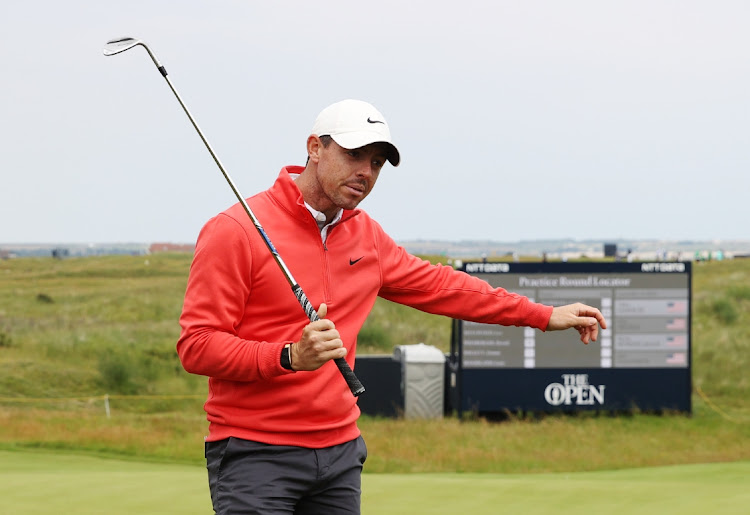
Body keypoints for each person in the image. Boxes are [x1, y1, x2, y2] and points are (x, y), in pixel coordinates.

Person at [176, 99, 607, 514]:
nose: (365, 171)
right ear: (315, 147)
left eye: (377, 163)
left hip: (339, 453)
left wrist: (542, 315)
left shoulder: (365, 235)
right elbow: (196, 346)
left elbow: (442, 287)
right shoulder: (235, 230)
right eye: (353, 154)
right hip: (255, 452)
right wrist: (288, 356)